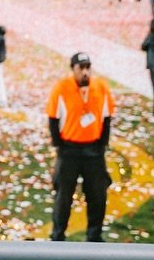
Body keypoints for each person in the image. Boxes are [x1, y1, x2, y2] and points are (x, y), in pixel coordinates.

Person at [45, 53, 114, 242]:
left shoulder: (100, 87)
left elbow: (107, 117)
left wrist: (102, 145)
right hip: (69, 150)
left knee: (98, 195)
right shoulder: (61, 88)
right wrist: (59, 145)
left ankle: (95, 236)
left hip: (93, 151)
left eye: (87, 67)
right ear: (73, 69)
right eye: (80, 68)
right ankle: (58, 236)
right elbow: (53, 118)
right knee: (64, 196)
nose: (85, 72)